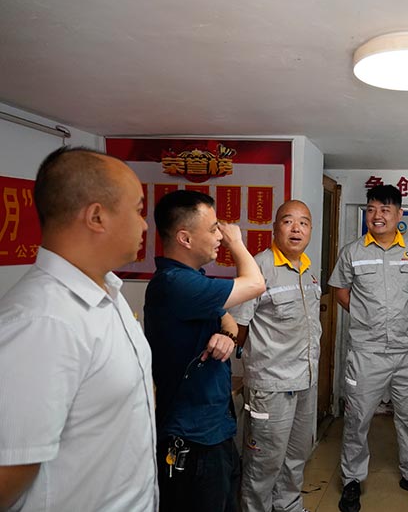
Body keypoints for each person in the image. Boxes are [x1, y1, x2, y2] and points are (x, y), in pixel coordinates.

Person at [0, 146, 157, 511]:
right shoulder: (42, 323)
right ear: (96, 217)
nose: (144, 224)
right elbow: (9, 473)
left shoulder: (107, 291)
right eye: (137, 210)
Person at [145, 189, 266, 512]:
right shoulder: (175, 284)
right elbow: (256, 284)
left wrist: (225, 335)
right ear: (184, 238)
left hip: (215, 428)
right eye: (213, 229)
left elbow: (228, 321)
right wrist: (236, 243)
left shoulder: (192, 279)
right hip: (192, 438)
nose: (220, 236)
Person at [329, 184, 408, 512]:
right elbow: (340, 291)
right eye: (372, 209)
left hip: (407, 352)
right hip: (367, 352)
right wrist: (366, 317)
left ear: (399, 214)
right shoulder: (352, 252)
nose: (378, 216)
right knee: (357, 419)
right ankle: (352, 479)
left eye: (385, 209)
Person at [230, 200, 322, 512]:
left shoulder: (307, 268)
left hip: (306, 380)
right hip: (271, 386)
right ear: (275, 227)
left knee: (296, 456)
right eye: (288, 221)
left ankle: (288, 506)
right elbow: (238, 327)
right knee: (263, 463)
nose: (296, 229)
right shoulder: (258, 268)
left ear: (310, 230)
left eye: (304, 223)